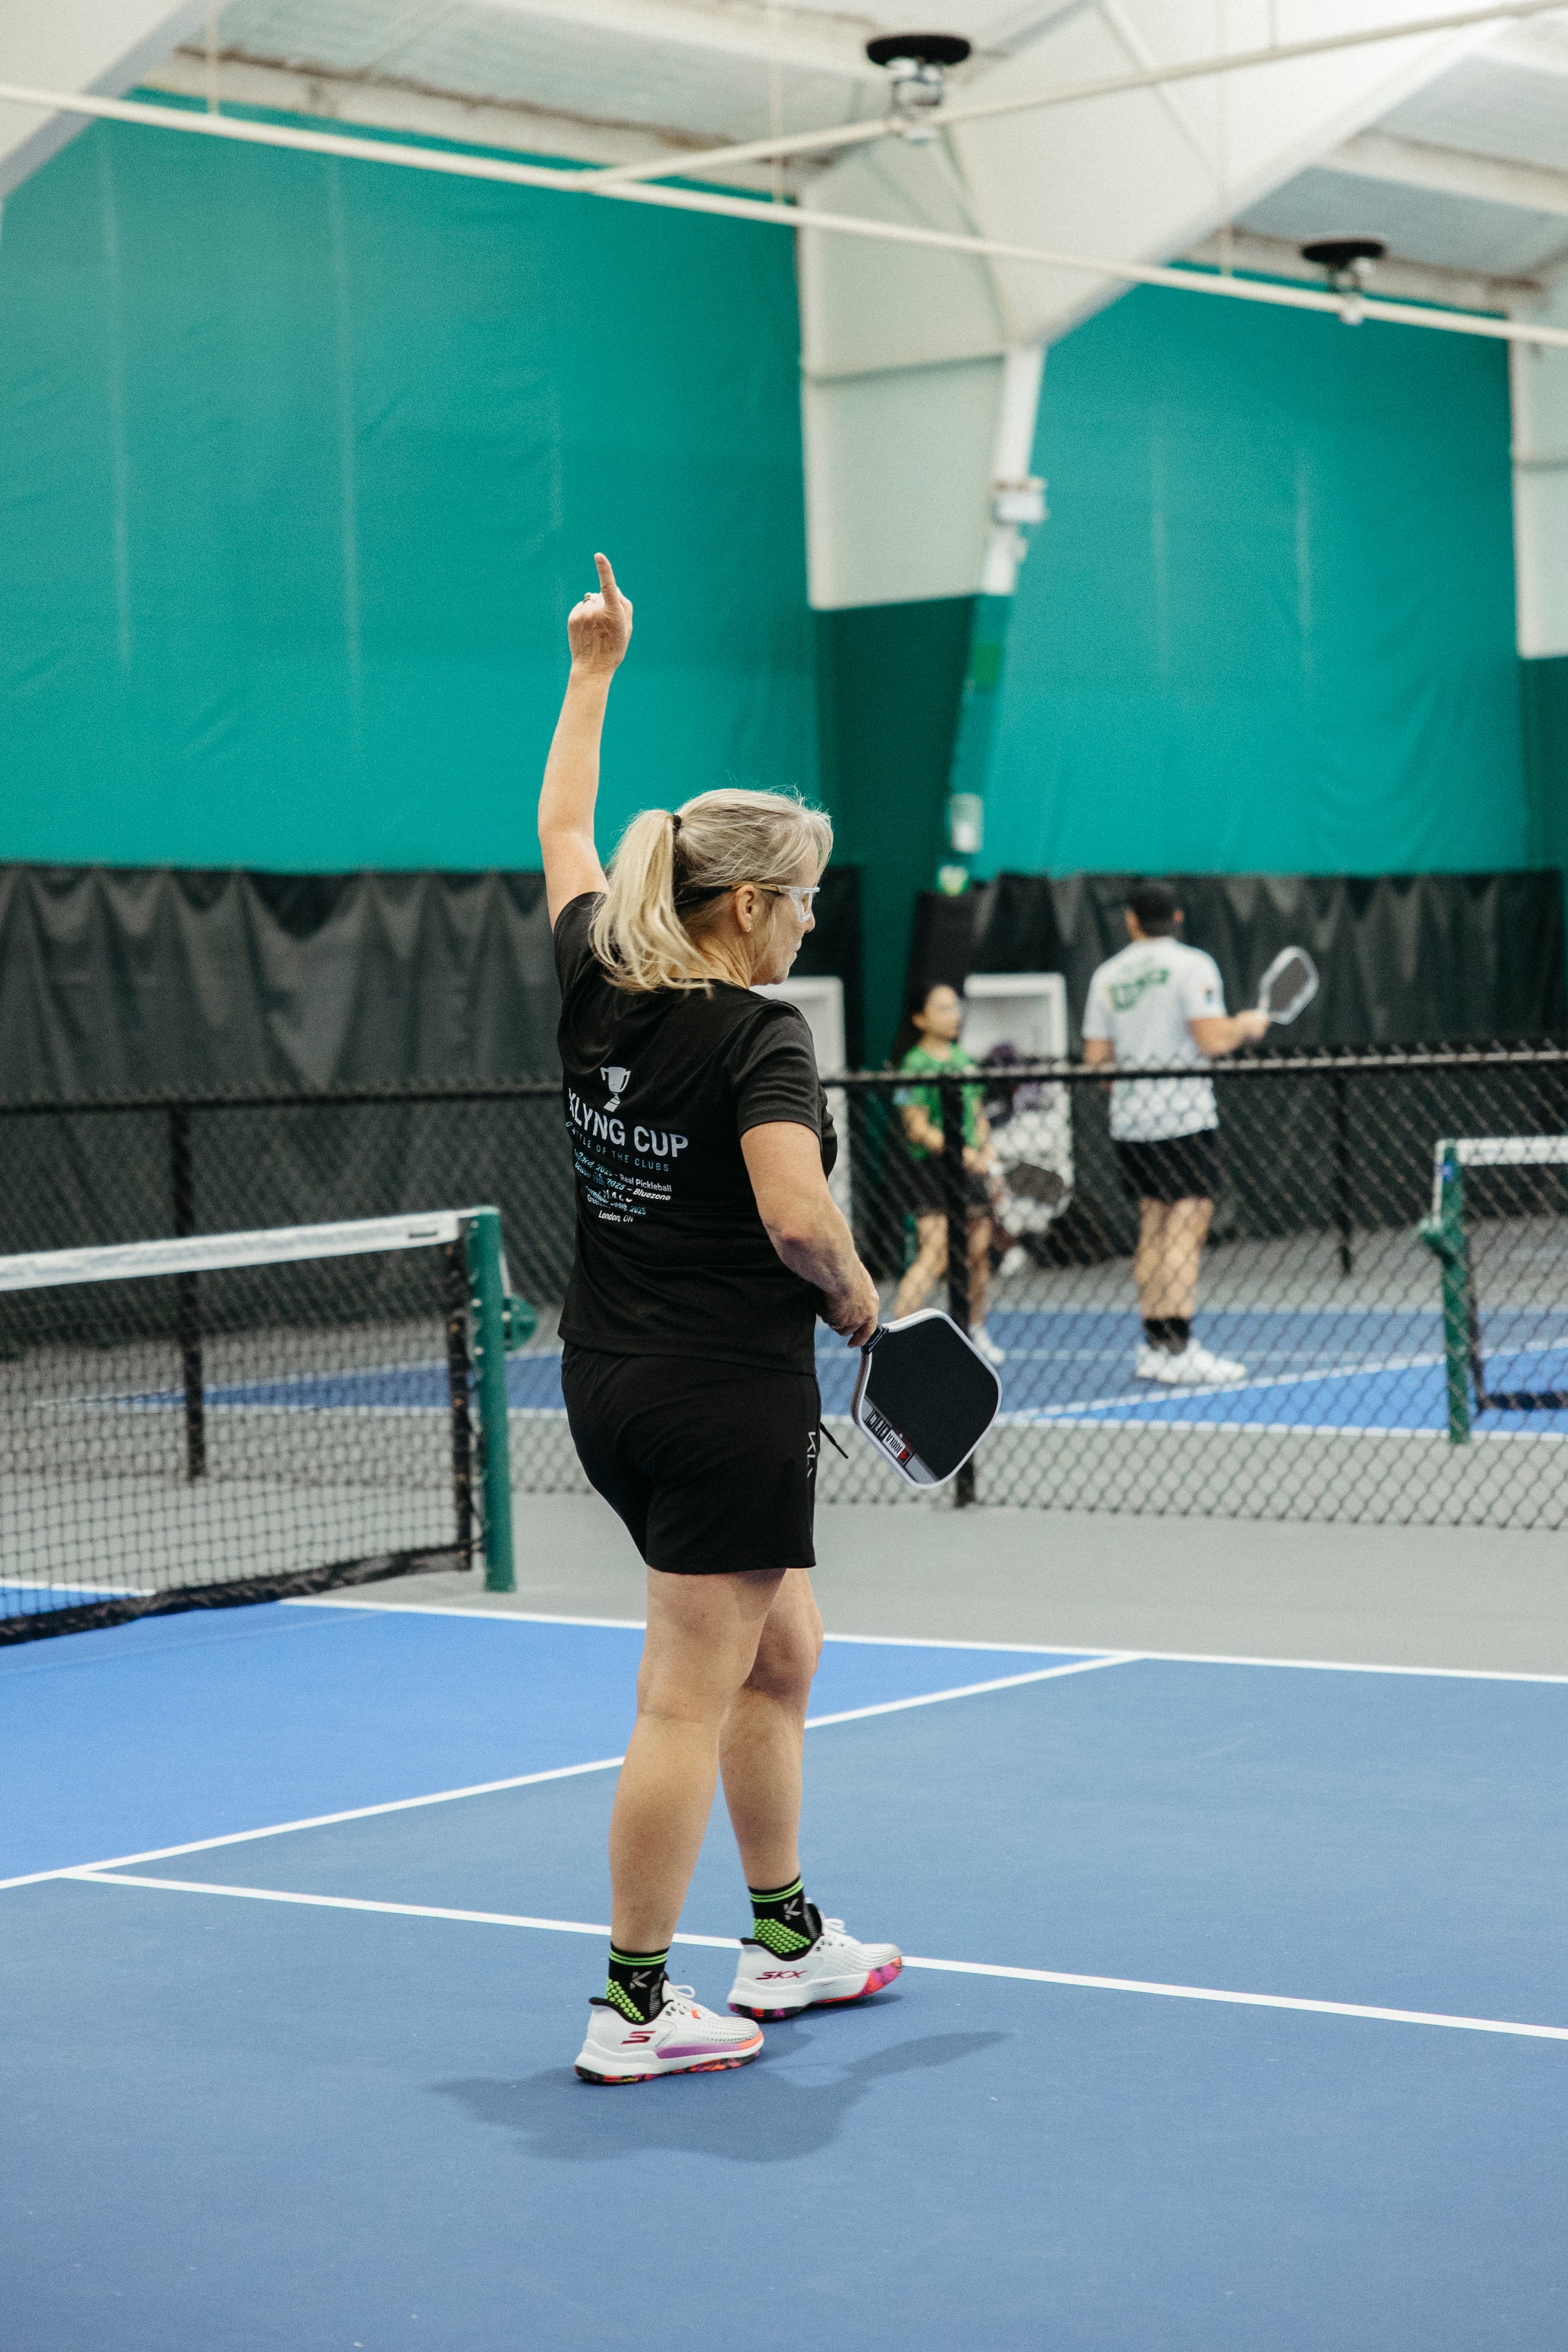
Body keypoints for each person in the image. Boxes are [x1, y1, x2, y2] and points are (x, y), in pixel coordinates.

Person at [540, 553, 901, 2087]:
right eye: (805, 900)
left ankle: (783, 1935)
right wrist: (865, 1299)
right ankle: (631, 2005)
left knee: (780, 1651)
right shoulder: (759, 1034)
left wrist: (594, 669)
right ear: (747, 902)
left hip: (610, 1383)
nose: (810, 924)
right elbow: (797, 1219)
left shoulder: (595, 975)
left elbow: (565, 826)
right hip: (720, 1400)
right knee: (683, 1694)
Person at [1081, 882, 1269, 1386]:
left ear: (1132, 921)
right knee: (1187, 1222)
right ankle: (1179, 1345)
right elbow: (1212, 1039)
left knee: (1154, 1223)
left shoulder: (1107, 976)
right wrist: (1246, 1026)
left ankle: (1156, 1345)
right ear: (1178, 916)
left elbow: (1097, 1064)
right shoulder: (1194, 965)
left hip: (1132, 1122)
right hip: (1183, 1119)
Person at [889, 981, 1006, 1364]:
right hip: (931, 1169)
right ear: (920, 1018)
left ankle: (974, 1332)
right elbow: (916, 1127)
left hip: (971, 1169)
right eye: (942, 1008)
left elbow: (976, 1117)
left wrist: (985, 1154)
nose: (953, 1015)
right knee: (936, 1253)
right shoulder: (913, 1066)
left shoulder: (965, 1062)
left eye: (955, 1007)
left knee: (977, 1254)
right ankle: (895, 1340)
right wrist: (962, 1153)